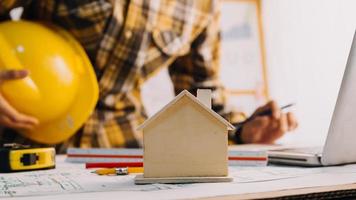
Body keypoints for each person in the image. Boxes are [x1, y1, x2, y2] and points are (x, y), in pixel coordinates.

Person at [0, 0, 298, 153]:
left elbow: (203, 102)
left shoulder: (201, 5)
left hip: (124, 158)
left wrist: (245, 133)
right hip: (20, 139)